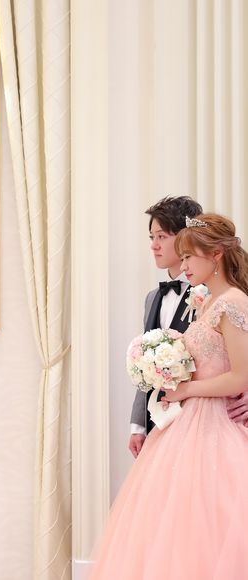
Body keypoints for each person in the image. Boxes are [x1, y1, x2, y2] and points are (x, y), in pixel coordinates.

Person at [89, 213, 248, 579]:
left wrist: (186, 389)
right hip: (186, 422)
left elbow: (240, 375)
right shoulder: (206, 302)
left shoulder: (232, 303)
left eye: (190, 256)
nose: (184, 264)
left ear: (216, 255)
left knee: (214, 520)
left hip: (217, 424)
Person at [129, 197, 248, 457]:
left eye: (161, 236)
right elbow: (148, 364)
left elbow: (239, 364)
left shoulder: (226, 298)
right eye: (152, 237)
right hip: (176, 417)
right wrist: (138, 424)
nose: (154, 245)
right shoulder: (166, 299)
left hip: (219, 419)